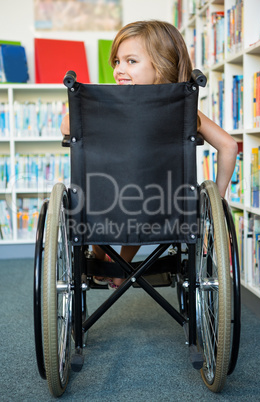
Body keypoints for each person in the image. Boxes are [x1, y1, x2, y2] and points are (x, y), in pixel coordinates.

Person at [61, 20, 238, 289]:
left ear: (163, 65)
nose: (119, 70)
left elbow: (65, 127)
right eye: (117, 62)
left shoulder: (103, 105)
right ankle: (120, 267)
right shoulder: (185, 110)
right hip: (162, 205)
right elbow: (228, 146)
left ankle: (105, 260)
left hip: (104, 203)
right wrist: (217, 201)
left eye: (131, 61)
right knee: (140, 194)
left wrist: (86, 104)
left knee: (102, 194)